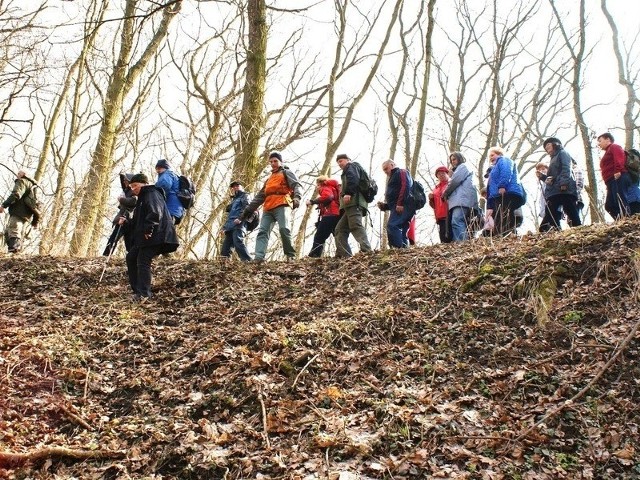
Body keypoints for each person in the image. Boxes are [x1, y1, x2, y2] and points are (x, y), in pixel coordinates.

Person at [119, 173, 179, 301]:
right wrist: (127, 222)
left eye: (135, 186)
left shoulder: (151, 193)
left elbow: (155, 212)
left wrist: (149, 229)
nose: (133, 189)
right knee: (131, 257)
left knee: (143, 261)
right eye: (131, 186)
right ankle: (137, 291)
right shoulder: (141, 199)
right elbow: (137, 223)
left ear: (144, 184)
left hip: (156, 235)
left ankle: (144, 294)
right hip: (147, 237)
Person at [238, 152, 301, 261]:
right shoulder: (269, 179)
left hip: (282, 203)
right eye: (271, 162)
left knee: (284, 229)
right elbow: (260, 197)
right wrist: (246, 212)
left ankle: (290, 256)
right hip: (268, 208)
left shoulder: (286, 172)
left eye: (275, 161)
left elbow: (296, 185)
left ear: (280, 161)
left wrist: (297, 198)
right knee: (263, 231)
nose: (273, 163)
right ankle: (259, 257)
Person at [333, 153, 372, 257]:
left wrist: (349, 193)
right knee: (339, 229)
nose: (339, 164)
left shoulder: (351, 166)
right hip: (351, 205)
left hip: (355, 202)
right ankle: (344, 255)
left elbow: (353, 179)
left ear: (348, 160)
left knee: (355, 225)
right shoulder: (350, 168)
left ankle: (367, 250)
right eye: (338, 162)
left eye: (341, 161)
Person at [538, 138, 581, 230]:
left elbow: (566, 169)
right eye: (545, 147)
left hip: (564, 189)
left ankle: (578, 230)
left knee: (570, 211)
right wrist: (542, 177)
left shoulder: (563, 153)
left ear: (555, 144)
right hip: (556, 191)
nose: (547, 147)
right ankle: (552, 230)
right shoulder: (553, 159)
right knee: (556, 212)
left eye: (548, 144)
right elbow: (552, 179)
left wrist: (563, 183)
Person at [486, 146, 526, 236]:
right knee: (501, 216)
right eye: (489, 157)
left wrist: (502, 185)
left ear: (499, 154)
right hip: (498, 195)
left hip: (508, 192)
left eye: (492, 155)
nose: (491, 158)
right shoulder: (494, 168)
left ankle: (507, 234)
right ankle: (508, 234)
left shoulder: (504, 160)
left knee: (504, 215)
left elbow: (506, 172)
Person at [376, 160, 415, 248]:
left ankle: (397, 250)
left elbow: (405, 186)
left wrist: (400, 203)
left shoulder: (401, 172)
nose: (385, 171)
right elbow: (394, 198)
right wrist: (385, 206)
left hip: (405, 205)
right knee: (402, 229)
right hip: (400, 206)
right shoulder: (393, 176)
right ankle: (404, 251)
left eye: (386, 168)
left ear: (392, 164)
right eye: (383, 170)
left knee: (392, 225)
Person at [442, 152, 478, 242]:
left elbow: (455, 181)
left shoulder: (462, 167)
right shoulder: (461, 169)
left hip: (462, 199)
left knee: (456, 221)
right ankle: (461, 243)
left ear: (460, 158)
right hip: (462, 199)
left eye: (454, 159)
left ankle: (462, 243)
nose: (453, 162)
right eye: (451, 161)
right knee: (461, 222)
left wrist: (445, 193)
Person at [0, 171, 38, 253]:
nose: (17, 176)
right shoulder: (34, 187)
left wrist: (4, 205)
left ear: (23, 175)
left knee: (13, 230)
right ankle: (14, 251)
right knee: (12, 232)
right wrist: (35, 221)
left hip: (18, 211)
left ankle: (13, 251)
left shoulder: (22, 181)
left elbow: (16, 194)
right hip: (27, 214)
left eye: (18, 174)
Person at [597, 132, 630, 220]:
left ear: (608, 139)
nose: (599, 144)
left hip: (618, 177)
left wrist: (618, 170)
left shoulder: (614, 147)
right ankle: (620, 220)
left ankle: (626, 219)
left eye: (600, 141)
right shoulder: (607, 152)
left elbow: (619, 158)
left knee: (620, 200)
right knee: (609, 205)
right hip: (610, 181)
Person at [103, 173, 138, 256]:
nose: (125, 182)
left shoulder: (133, 190)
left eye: (126, 180)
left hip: (127, 218)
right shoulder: (126, 190)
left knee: (126, 239)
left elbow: (133, 201)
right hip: (123, 217)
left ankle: (130, 256)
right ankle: (107, 254)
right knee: (115, 237)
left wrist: (121, 199)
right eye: (124, 180)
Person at [307, 175, 341, 257]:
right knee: (338, 235)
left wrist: (312, 201)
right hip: (337, 214)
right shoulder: (332, 188)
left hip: (330, 214)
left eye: (317, 185)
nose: (317, 187)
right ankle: (343, 254)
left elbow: (328, 197)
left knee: (319, 236)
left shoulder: (324, 187)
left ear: (319, 183)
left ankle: (315, 255)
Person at [221, 181, 252, 261]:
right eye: (234, 186)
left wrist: (240, 218)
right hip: (230, 225)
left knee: (238, 242)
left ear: (242, 187)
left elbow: (247, 208)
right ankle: (224, 267)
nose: (235, 187)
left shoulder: (245, 196)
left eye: (237, 186)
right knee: (225, 248)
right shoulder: (234, 200)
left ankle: (248, 262)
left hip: (240, 223)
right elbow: (230, 215)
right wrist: (224, 227)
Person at [155, 159, 184, 224]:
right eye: (156, 169)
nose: (157, 171)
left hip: (170, 209)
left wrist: (155, 197)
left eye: (159, 168)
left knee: (164, 231)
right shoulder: (173, 175)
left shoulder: (167, 174)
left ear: (165, 168)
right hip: (176, 210)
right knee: (168, 231)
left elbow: (164, 185)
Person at [428, 166, 451, 243]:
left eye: (443, 173)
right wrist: (431, 199)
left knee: (449, 235)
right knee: (443, 236)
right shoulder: (435, 189)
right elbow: (433, 205)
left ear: (447, 174)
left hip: (449, 213)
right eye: (439, 174)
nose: (441, 175)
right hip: (439, 215)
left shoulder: (450, 184)